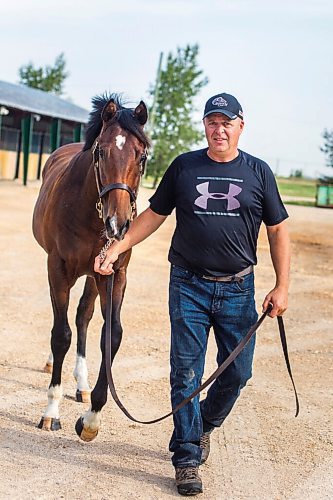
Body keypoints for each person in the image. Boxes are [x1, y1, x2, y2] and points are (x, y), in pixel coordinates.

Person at [94, 92, 290, 496]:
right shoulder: (185, 167)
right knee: (185, 373)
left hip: (238, 288)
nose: (219, 129)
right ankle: (186, 458)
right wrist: (115, 247)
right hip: (188, 285)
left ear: (240, 126)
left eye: (227, 122)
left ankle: (203, 425)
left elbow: (277, 229)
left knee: (238, 372)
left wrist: (282, 285)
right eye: (212, 121)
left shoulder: (259, 171)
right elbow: (153, 216)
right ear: (204, 125)